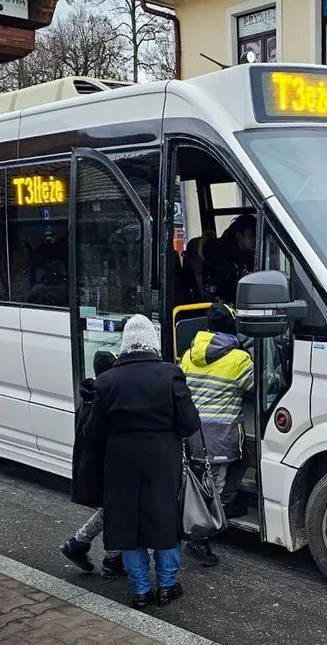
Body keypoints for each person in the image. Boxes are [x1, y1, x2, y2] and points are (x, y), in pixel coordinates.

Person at [86, 315, 201, 610]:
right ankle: (166, 586)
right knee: (165, 521)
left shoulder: (107, 380)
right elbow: (189, 424)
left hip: (121, 460)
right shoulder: (170, 374)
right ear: (152, 342)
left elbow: (93, 432)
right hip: (162, 459)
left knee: (128, 525)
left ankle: (139, 591)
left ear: (125, 343)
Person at [179, 304, 254, 567]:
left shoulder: (189, 354)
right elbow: (258, 386)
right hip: (220, 438)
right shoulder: (239, 359)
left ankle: (220, 510)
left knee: (221, 473)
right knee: (215, 488)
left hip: (194, 436)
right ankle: (199, 540)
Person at [61, 350, 127, 578]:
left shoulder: (90, 394)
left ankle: (79, 543)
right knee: (117, 509)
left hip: (92, 466)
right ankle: (111, 559)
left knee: (112, 509)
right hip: (103, 466)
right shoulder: (103, 399)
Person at [202, 215, 256, 305]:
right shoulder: (220, 258)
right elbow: (213, 294)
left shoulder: (250, 254)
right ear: (239, 236)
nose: (255, 241)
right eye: (251, 236)